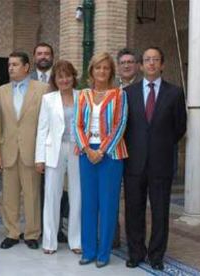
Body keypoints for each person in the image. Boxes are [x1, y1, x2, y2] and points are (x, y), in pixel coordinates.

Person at [124, 46, 187, 271]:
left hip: (161, 162)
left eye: (155, 60)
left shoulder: (175, 93)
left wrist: (161, 144)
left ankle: (157, 255)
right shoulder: (128, 93)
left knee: (160, 211)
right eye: (147, 60)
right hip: (134, 162)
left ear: (162, 64)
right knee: (134, 210)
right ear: (140, 65)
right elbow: (124, 127)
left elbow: (180, 127)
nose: (151, 63)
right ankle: (135, 252)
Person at [74, 52, 128, 268]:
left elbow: (120, 124)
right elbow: (77, 124)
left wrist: (102, 150)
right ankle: (89, 250)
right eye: (98, 68)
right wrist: (88, 149)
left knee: (108, 204)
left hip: (111, 155)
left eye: (106, 68)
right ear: (92, 71)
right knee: (88, 203)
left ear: (111, 72)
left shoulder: (119, 95)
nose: (102, 72)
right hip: (86, 154)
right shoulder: (83, 95)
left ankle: (104, 253)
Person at [0, 51, 49, 250]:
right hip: (8, 151)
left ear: (27, 67)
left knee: (32, 195)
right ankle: (12, 233)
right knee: (9, 196)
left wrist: (42, 154)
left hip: (32, 152)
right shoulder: (1, 91)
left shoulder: (43, 89)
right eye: (9, 65)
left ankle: (32, 234)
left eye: (15, 65)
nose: (11, 68)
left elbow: (46, 123)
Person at [35, 60, 81, 254]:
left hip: (78, 150)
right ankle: (49, 241)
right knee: (52, 195)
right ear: (55, 79)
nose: (64, 79)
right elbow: (42, 129)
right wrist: (40, 158)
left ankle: (76, 241)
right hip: (54, 149)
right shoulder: (49, 99)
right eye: (60, 76)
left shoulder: (83, 96)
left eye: (67, 75)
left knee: (78, 195)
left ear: (73, 77)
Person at [112, 47, 141, 249]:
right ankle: (112, 238)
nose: (127, 65)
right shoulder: (111, 89)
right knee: (110, 197)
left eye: (130, 62)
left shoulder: (144, 89)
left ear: (137, 66)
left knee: (134, 201)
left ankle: (134, 242)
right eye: (123, 62)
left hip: (136, 153)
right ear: (118, 66)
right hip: (112, 152)